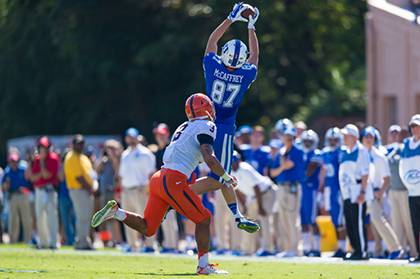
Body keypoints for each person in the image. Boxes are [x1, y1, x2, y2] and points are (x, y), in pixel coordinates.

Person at [92, 93, 244, 275]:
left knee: (148, 228)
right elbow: (208, 157)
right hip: (173, 179)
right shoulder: (207, 125)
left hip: (159, 178)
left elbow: (188, 154)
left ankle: (116, 212)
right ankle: (203, 266)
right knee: (203, 219)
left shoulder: (184, 126)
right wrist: (226, 177)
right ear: (207, 108)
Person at [202, 2, 260, 232]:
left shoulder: (213, 65)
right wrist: (251, 26)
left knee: (210, 173)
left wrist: (231, 18)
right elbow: (254, 55)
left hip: (202, 123)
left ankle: (177, 193)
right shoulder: (246, 74)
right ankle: (236, 214)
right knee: (221, 176)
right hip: (224, 127)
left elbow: (211, 42)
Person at [361, 127, 402, 259]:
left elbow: (387, 178)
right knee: (364, 223)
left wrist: (381, 191)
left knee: (378, 220)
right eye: (365, 137)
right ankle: (366, 250)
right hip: (361, 193)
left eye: (370, 137)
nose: (368, 139)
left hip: (374, 193)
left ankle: (396, 248)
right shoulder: (359, 154)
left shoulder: (379, 156)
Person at [231, 151, 277, 256]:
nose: (235, 163)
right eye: (233, 162)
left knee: (264, 218)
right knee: (248, 221)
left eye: (236, 161)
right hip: (253, 196)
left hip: (266, 192)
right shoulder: (230, 172)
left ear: (239, 161)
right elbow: (236, 189)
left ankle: (268, 249)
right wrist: (244, 205)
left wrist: (260, 207)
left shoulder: (245, 169)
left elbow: (257, 188)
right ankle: (248, 250)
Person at [118, 127, 156, 252]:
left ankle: (149, 245)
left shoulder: (145, 153)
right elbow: (122, 174)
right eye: (129, 137)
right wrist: (121, 189)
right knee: (127, 218)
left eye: (133, 137)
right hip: (127, 190)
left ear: (137, 137)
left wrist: (147, 189)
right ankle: (132, 244)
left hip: (141, 189)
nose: (131, 139)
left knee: (146, 219)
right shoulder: (125, 154)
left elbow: (151, 173)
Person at [269, 125, 304, 257]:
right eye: (286, 137)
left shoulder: (297, 150)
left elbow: (289, 165)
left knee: (292, 218)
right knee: (283, 219)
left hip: (292, 187)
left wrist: (282, 167)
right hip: (281, 186)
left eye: (291, 138)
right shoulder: (280, 152)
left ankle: (295, 249)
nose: (288, 140)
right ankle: (287, 247)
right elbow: (272, 172)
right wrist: (282, 166)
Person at [339, 124, 370, 260]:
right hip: (347, 191)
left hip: (357, 190)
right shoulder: (345, 151)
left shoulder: (361, 151)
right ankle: (354, 248)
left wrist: (362, 192)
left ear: (354, 137)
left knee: (358, 221)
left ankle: (362, 251)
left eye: (346, 135)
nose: (344, 138)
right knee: (350, 222)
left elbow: (365, 174)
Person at [386, 125, 418, 258]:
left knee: (410, 223)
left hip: (406, 190)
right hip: (394, 190)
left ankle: (415, 251)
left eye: (398, 133)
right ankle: (401, 251)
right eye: (393, 133)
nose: (396, 135)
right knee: (397, 222)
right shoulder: (393, 149)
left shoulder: (407, 147)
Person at [26, 136, 60, 249]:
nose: (42, 150)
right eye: (40, 147)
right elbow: (31, 178)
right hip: (39, 191)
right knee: (40, 217)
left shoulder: (53, 158)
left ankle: (53, 243)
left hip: (49, 190)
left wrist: (41, 162)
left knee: (52, 217)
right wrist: (31, 163)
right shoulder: (35, 160)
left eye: (44, 147)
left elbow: (46, 175)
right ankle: (44, 243)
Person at [64, 134, 95, 250]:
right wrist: (90, 188)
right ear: (73, 144)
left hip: (86, 190)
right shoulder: (71, 157)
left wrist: (93, 185)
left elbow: (91, 174)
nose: (80, 145)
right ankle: (80, 242)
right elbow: (78, 177)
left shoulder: (83, 157)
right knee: (82, 216)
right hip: (78, 189)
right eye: (78, 143)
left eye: (82, 143)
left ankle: (84, 240)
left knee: (86, 217)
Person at [153, 123, 179, 253]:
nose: (160, 137)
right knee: (163, 218)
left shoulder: (171, 149)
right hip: (161, 188)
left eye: (162, 135)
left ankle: (173, 246)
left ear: (167, 134)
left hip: (171, 187)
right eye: (158, 135)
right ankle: (167, 244)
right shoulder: (157, 152)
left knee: (170, 218)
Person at [321, 127, 346, 257]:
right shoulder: (325, 153)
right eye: (330, 139)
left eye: (335, 139)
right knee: (333, 219)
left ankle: (343, 248)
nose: (332, 142)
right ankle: (339, 247)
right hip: (328, 188)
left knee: (340, 220)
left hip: (338, 188)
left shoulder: (341, 152)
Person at [400, 114, 420, 263]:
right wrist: (409, 184)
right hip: (412, 191)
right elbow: (402, 167)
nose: (415, 129)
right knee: (415, 224)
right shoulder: (406, 144)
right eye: (413, 126)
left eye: (417, 126)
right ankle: (419, 253)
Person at [300, 130, 323, 257]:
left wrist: (299, 175)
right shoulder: (300, 153)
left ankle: (317, 248)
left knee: (312, 220)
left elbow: (309, 170)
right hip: (302, 189)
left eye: (310, 141)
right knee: (303, 221)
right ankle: (306, 248)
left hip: (311, 190)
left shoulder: (316, 154)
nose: (308, 143)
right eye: (306, 141)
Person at [95, 139, 121, 247]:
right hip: (103, 192)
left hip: (112, 192)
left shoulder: (118, 159)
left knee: (114, 218)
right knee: (102, 218)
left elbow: (117, 172)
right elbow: (97, 170)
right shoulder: (104, 160)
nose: (109, 150)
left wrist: (113, 158)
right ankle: (105, 241)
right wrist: (103, 159)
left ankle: (117, 241)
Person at [2, 153, 32, 243]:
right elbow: (4, 187)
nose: (14, 163)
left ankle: (28, 240)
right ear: (9, 162)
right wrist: (6, 184)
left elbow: (29, 182)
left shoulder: (23, 169)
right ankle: (13, 241)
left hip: (23, 195)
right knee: (13, 220)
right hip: (13, 196)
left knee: (26, 219)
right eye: (12, 161)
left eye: (15, 161)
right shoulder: (7, 171)